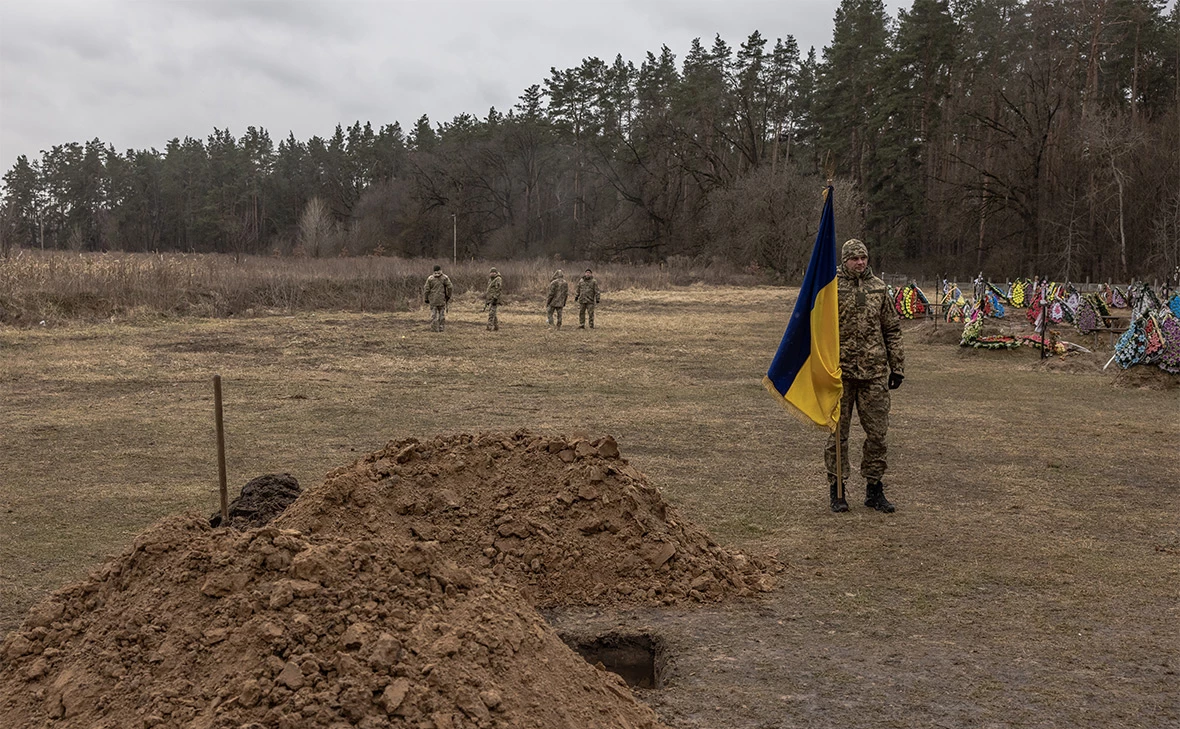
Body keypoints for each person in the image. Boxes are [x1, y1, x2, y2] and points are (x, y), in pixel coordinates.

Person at [825, 239, 905, 513]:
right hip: (840, 375)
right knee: (838, 435)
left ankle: (874, 489)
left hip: (874, 375)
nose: (860, 262)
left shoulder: (879, 289)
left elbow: (892, 330)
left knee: (878, 435)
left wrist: (898, 367)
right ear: (844, 260)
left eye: (864, 257)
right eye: (854, 258)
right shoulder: (830, 288)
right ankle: (837, 490)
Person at [423, 264, 453, 332]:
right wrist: (448, 296)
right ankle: (441, 327)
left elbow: (426, 289)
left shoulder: (430, 278)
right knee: (441, 314)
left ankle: (434, 328)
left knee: (433, 315)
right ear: (440, 270)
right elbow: (450, 287)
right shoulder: (445, 278)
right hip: (442, 299)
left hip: (433, 300)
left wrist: (426, 298)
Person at [484, 267, 503, 331]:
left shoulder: (498, 279)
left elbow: (498, 289)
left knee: (491, 313)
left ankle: (489, 327)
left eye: (493, 272)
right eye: (491, 272)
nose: (491, 274)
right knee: (493, 313)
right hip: (490, 298)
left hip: (495, 299)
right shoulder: (490, 279)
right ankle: (496, 326)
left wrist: (495, 298)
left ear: (495, 273)